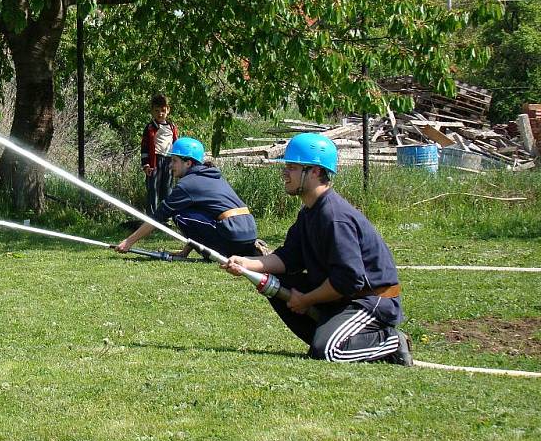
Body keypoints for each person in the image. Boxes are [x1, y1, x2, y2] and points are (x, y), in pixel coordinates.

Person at [222, 133, 413, 366]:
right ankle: (331, 335)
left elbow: (349, 279)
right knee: (272, 282)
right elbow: (289, 258)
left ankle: (391, 341)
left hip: (370, 301)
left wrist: (306, 300)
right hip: (344, 296)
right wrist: (245, 263)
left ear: (314, 171)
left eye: (291, 167)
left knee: (328, 353)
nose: (285, 173)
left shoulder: (334, 217)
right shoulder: (309, 212)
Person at [116, 137, 261, 258]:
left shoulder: (187, 184)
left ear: (188, 163)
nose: (170, 166)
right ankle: (246, 250)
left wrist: (129, 242)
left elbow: (158, 217)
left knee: (179, 215)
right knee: (188, 212)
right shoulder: (212, 176)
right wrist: (184, 253)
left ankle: (223, 253)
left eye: (174, 161)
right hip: (248, 232)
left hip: (233, 234)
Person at [141, 94, 178, 215]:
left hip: (169, 161)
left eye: (163, 110)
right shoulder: (150, 127)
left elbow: (176, 144)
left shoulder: (172, 127)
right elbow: (145, 147)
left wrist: (177, 162)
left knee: (167, 188)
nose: (160, 114)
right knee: (153, 189)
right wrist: (146, 164)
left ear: (168, 110)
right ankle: (151, 218)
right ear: (152, 111)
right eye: (156, 111)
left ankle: (165, 217)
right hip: (155, 161)